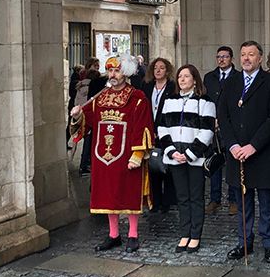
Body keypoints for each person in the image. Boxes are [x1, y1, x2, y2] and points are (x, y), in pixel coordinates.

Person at [69, 56, 154, 253]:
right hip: (103, 156)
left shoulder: (137, 97)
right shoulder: (100, 97)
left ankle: (133, 234)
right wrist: (77, 115)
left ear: (126, 72)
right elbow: (86, 122)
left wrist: (138, 154)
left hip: (126, 155)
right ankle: (113, 235)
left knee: (129, 193)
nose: (113, 75)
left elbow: (143, 126)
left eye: (116, 70)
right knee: (108, 194)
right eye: (109, 70)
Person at [218, 41, 270, 264]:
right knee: (243, 203)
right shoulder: (231, 83)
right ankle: (244, 243)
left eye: (251, 55)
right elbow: (224, 117)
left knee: (267, 203)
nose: (246, 58)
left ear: (260, 58)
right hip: (237, 154)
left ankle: (269, 245)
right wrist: (233, 146)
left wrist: (253, 145)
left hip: (263, 153)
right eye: (243, 54)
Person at [157, 65, 216, 254]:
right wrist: (172, 151)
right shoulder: (170, 101)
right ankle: (184, 233)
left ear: (195, 79)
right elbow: (162, 129)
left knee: (196, 198)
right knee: (182, 198)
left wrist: (190, 153)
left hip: (195, 159)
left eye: (186, 76)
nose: (182, 80)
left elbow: (207, 131)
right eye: (180, 76)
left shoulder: (205, 101)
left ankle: (196, 235)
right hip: (175, 158)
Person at [202, 46, 240, 216]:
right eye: (219, 56)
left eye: (225, 56)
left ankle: (233, 200)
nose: (221, 59)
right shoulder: (209, 77)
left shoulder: (238, 77)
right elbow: (206, 100)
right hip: (213, 125)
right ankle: (214, 199)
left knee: (232, 163)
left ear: (231, 58)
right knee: (214, 163)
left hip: (231, 126)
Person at [142, 58, 177, 213]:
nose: (158, 70)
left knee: (167, 166)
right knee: (153, 166)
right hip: (150, 131)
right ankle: (154, 200)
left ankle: (168, 201)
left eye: (161, 68)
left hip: (167, 131)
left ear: (167, 71)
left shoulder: (172, 87)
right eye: (155, 68)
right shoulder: (147, 86)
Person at [66, 64, 83, 151]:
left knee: (72, 125)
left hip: (73, 104)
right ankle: (66, 141)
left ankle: (66, 142)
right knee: (72, 125)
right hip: (74, 104)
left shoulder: (74, 80)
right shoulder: (76, 81)